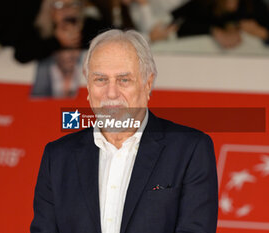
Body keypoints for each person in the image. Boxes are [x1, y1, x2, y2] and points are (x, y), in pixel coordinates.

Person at [30, 29, 218, 233]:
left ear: (147, 84)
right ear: (88, 87)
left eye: (124, 80)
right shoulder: (57, 157)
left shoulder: (190, 150)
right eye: (100, 79)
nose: (111, 93)